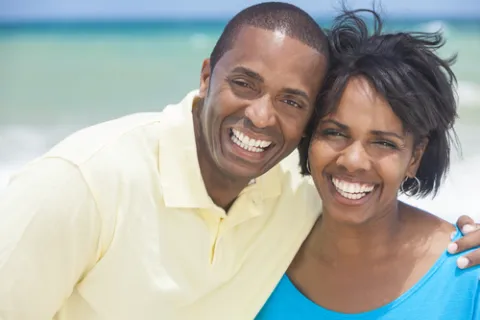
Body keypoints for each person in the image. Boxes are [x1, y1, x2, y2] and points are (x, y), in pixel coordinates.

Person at [0, 2, 478, 320]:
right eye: (244, 84)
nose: (260, 117)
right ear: (207, 75)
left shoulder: (292, 197)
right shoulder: (80, 184)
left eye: (292, 101)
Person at [257, 9, 480, 319]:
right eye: (334, 133)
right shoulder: (256, 259)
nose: (353, 160)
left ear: (414, 157)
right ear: (309, 137)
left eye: (384, 142)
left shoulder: (467, 275)